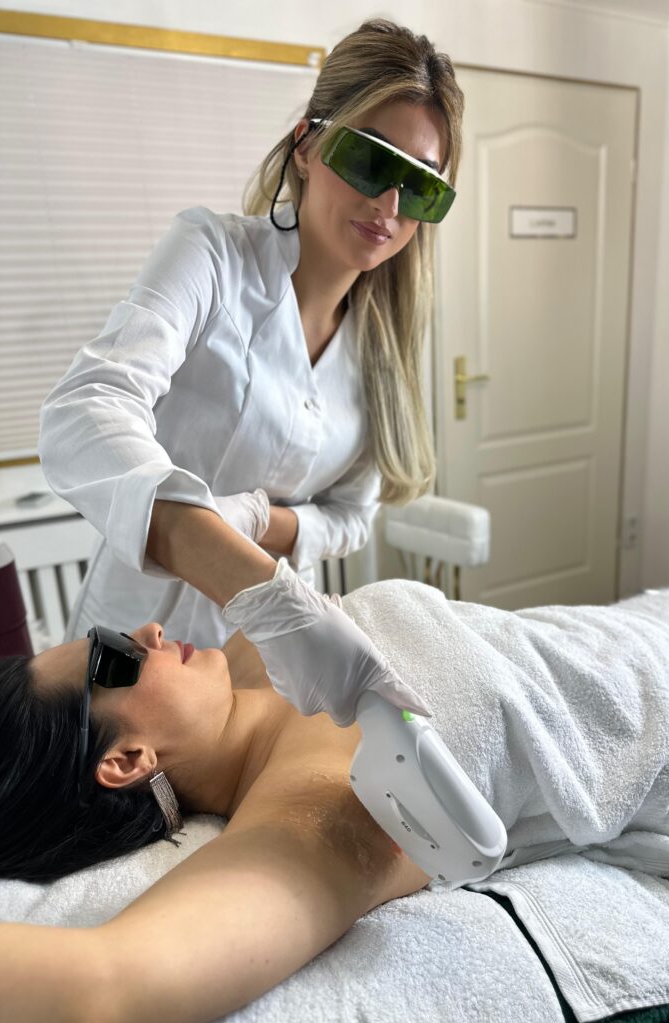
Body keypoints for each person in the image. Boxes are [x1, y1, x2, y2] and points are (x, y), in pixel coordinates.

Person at [0, 573, 669, 1023]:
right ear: (125, 762)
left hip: (667, 643)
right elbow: (107, 982)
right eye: (114, 659)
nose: (147, 630)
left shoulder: (253, 651)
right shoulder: (324, 807)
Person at [36, 18, 463, 725]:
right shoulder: (210, 255)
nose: (389, 207)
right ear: (307, 145)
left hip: (266, 668)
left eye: (420, 188)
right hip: (134, 640)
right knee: (120, 777)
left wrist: (261, 520)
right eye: (370, 160)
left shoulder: (386, 341)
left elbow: (353, 515)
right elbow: (86, 411)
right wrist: (251, 576)